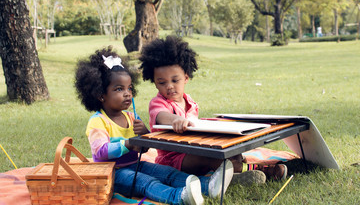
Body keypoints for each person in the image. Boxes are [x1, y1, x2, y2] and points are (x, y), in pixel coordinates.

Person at [74, 46, 234, 205]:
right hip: (112, 173)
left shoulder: (131, 117)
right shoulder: (98, 121)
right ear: (101, 95)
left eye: (129, 88)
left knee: (166, 172)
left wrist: (144, 135)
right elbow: (101, 152)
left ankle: (207, 186)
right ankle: (178, 196)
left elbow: (143, 148)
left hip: (135, 165)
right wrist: (129, 144)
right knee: (147, 182)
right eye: (119, 89)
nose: (127, 93)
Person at [139, 36, 287, 183]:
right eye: (162, 82)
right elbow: (161, 116)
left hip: (195, 149)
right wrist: (175, 120)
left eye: (174, 80)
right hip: (173, 160)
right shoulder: (158, 103)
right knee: (208, 159)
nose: (169, 86)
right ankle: (257, 172)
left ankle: (232, 170)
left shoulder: (189, 101)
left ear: (186, 78)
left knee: (229, 152)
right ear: (155, 84)